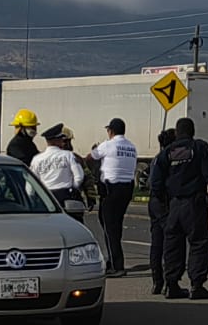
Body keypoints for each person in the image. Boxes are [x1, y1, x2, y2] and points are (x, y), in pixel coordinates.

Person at [150, 116, 208, 300]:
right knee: (199, 242)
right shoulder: (198, 148)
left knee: (173, 244)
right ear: (192, 131)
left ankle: (172, 284)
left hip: (173, 205)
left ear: (177, 132)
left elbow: (156, 181)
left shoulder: (167, 152)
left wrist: (163, 201)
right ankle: (197, 285)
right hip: (194, 204)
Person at [90, 117, 138, 277]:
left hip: (111, 188)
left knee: (110, 227)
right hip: (127, 189)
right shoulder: (132, 147)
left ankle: (117, 266)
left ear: (111, 131)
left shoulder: (108, 144)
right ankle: (112, 260)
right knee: (114, 224)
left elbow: (92, 156)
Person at [32, 124, 86, 220]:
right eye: (62, 139)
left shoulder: (37, 159)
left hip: (46, 197)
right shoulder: (68, 155)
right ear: (57, 140)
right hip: (65, 196)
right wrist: (72, 187)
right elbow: (79, 176)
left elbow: (32, 183)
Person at [146, 127, 177, 295]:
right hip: (163, 202)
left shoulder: (157, 159)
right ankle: (168, 282)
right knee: (169, 243)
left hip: (154, 202)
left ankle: (157, 281)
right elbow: (158, 184)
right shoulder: (167, 158)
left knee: (156, 243)